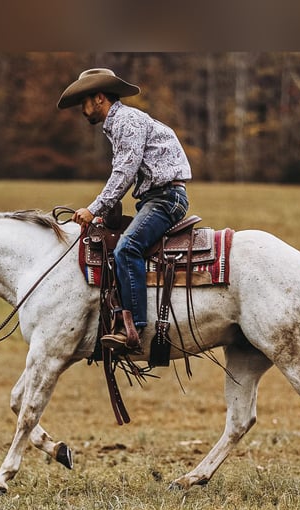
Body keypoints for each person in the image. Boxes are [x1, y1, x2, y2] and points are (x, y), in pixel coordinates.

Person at [57, 68, 191, 352]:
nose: (83, 109)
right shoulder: (119, 124)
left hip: (166, 199)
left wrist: (94, 209)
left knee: (126, 248)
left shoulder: (127, 121)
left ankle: (134, 329)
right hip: (157, 197)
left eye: (85, 101)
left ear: (100, 98)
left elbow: (125, 172)